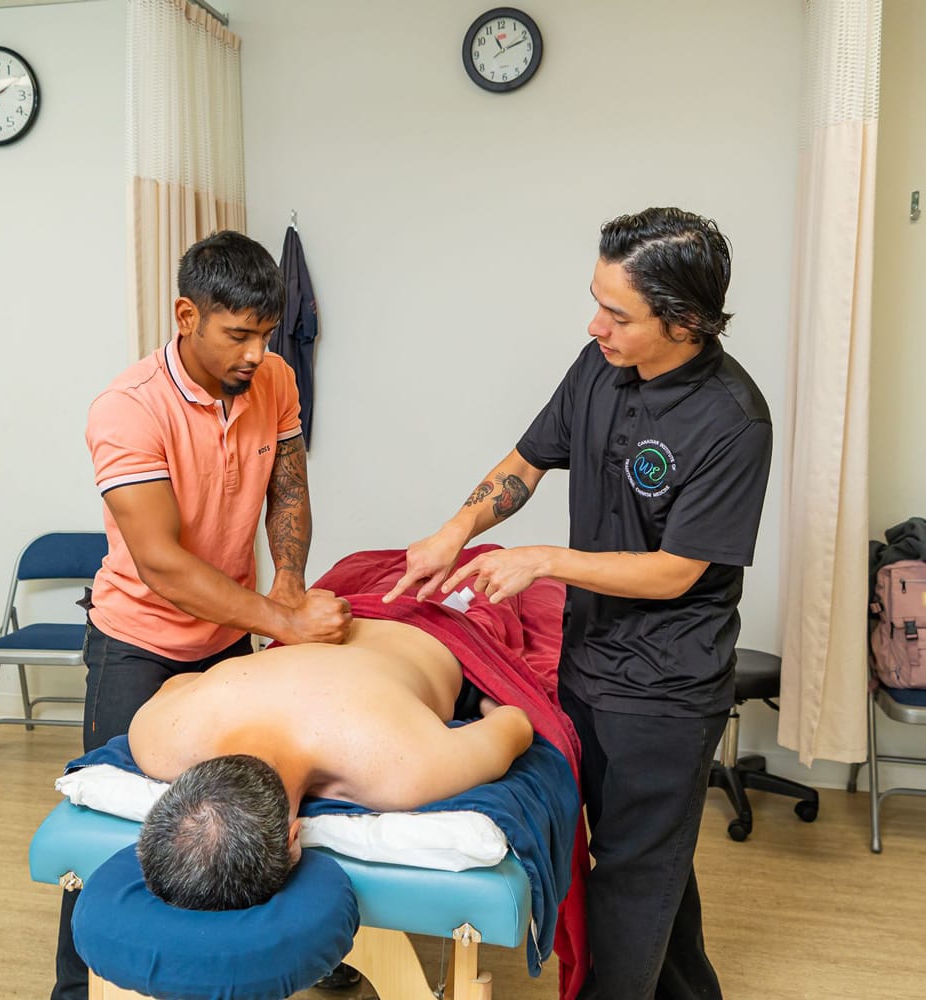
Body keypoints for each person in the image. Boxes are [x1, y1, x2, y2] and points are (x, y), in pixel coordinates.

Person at [385, 207, 772, 1000]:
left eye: (618, 312)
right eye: (596, 299)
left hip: (665, 689)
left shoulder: (732, 420)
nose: (595, 323)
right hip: (587, 659)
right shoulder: (600, 364)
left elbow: (676, 572)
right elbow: (528, 461)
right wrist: (455, 530)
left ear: (684, 321)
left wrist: (544, 562)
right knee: (647, 861)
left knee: (632, 879)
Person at [54, 230, 353, 996]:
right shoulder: (127, 410)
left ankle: (233, 969)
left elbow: (288, 487)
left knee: (229, 821)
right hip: (138, 643)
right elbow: (161, 562)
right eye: (238, 335)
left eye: (265, 334)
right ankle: (74, 985)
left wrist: (287, 581)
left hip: (229, 636)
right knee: (115, 823)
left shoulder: (275, 379)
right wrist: (284, 621)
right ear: (186, 315)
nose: (256, 353)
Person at [129, 616, 535, 910]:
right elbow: (178, 684)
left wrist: (484, 702)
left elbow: (516, 723)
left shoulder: (399, 768)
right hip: (329, 614)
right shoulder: (159, 738)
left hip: (433, 620)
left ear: (293, 839)